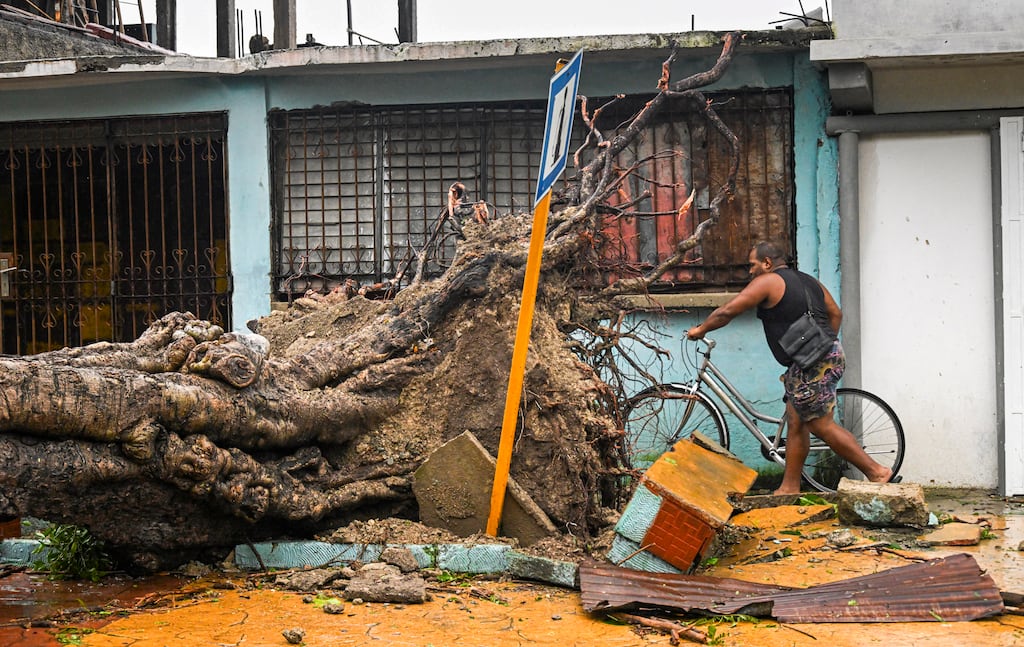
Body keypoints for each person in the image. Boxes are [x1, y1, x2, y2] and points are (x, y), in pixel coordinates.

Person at [686, 241, 895, 495]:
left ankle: (876, 471)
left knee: (820, 424)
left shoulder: (768, 281)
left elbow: (728, 310)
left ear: (767, 263)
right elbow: (835, 314)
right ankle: (789, 487)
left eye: (752, 265)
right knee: (796, 421)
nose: (750, 271)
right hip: (825, 354)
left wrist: (701, 329)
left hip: (813, 361)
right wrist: (820, 349)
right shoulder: (809, 281)